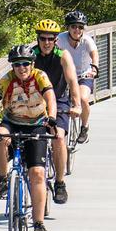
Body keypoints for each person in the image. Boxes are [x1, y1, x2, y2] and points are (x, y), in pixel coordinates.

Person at [0, 44, 54, 231]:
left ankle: (38, 224)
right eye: (17, 64)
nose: (22, 68)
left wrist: (52, 117)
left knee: (37, 173)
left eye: (25, 64)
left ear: (32, 64)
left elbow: (50, 98)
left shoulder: (40, 76)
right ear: (12, 66)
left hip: (36, 124)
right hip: (12, 123)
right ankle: (3, 178)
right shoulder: (7, 80)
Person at [30, 19, 81, 206]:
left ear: (55, 40)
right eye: (42, 38)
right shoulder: (31, 56)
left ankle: (60, 182)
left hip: (58, 101)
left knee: (59, 138)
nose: (46, 42)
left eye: (50, 39)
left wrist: (77, 104)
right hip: (35, 103)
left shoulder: (63, 55)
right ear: (37, 39)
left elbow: (73, 81)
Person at [59, 10, 99, 143]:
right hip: (65, 74)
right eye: (73, 26)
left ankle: (84, 127)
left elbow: (94, 54)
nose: (77, 30)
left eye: (80, 27)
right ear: (68, 28)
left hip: (83, 74)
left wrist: (94, 68)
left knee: (83, 99)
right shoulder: (60, 39)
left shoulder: (87, 40)